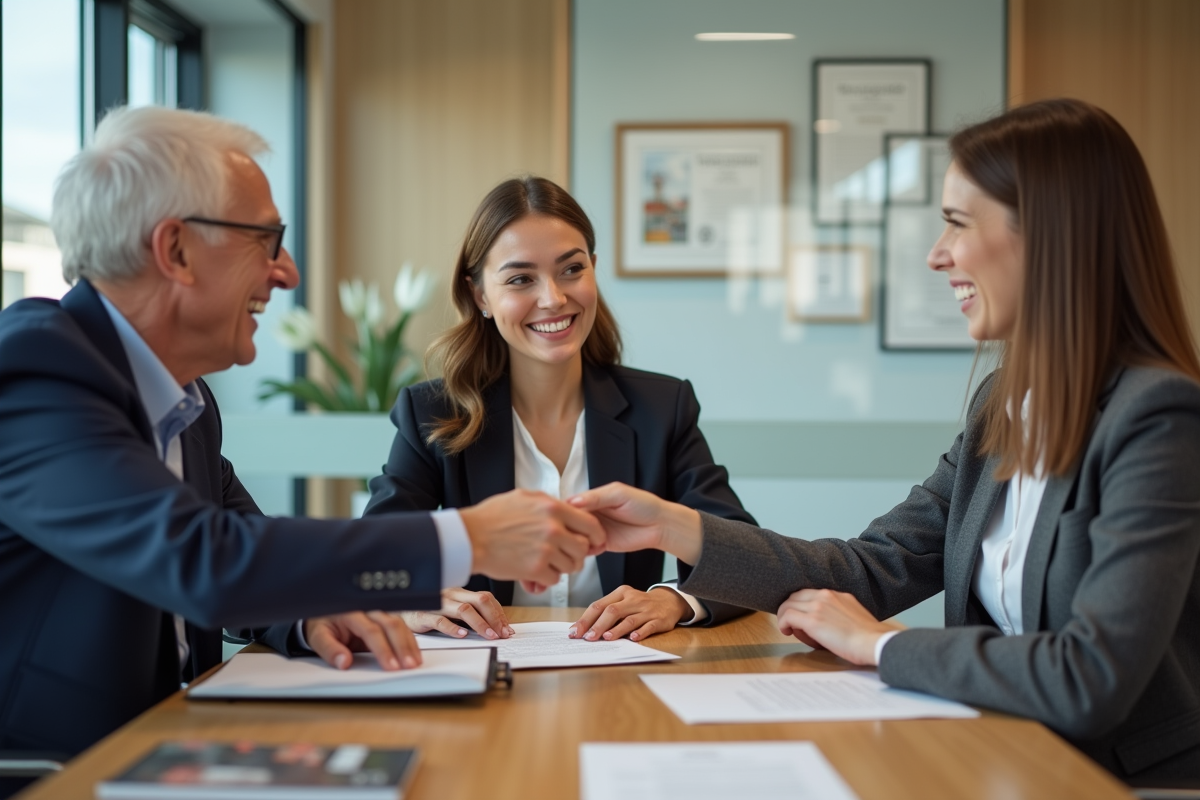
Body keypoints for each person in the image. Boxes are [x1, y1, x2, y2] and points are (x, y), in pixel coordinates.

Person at [571, 99, 1200, 785]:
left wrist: (880, 646)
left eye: (957, 224)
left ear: (1049, 235)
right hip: (1004, 755)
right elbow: (871, 567)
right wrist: (675, 527)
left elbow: (1092, 676)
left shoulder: (1157, 417)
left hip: (1120, 780)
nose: (937, 256)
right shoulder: (1004, 405)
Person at [0, 107, 605, 774]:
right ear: (175, 250)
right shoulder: (37, 369)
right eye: (266, 239)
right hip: (53, 770)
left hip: (166, 753)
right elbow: (205, 560)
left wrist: (311, 618)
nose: (285, 271)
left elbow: (252, 569)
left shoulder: (186, 403)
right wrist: (471, 538)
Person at [363, 177, 755, 643]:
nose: (553, 297)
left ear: (593, 268)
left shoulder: (661, 408)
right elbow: (373, 557)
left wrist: (674, 599)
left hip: (620, 674)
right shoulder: (431, 412)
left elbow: (743, 555)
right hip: (482, 673)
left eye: (571, 269)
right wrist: (415, 595)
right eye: (520, 278)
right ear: (480, 295)